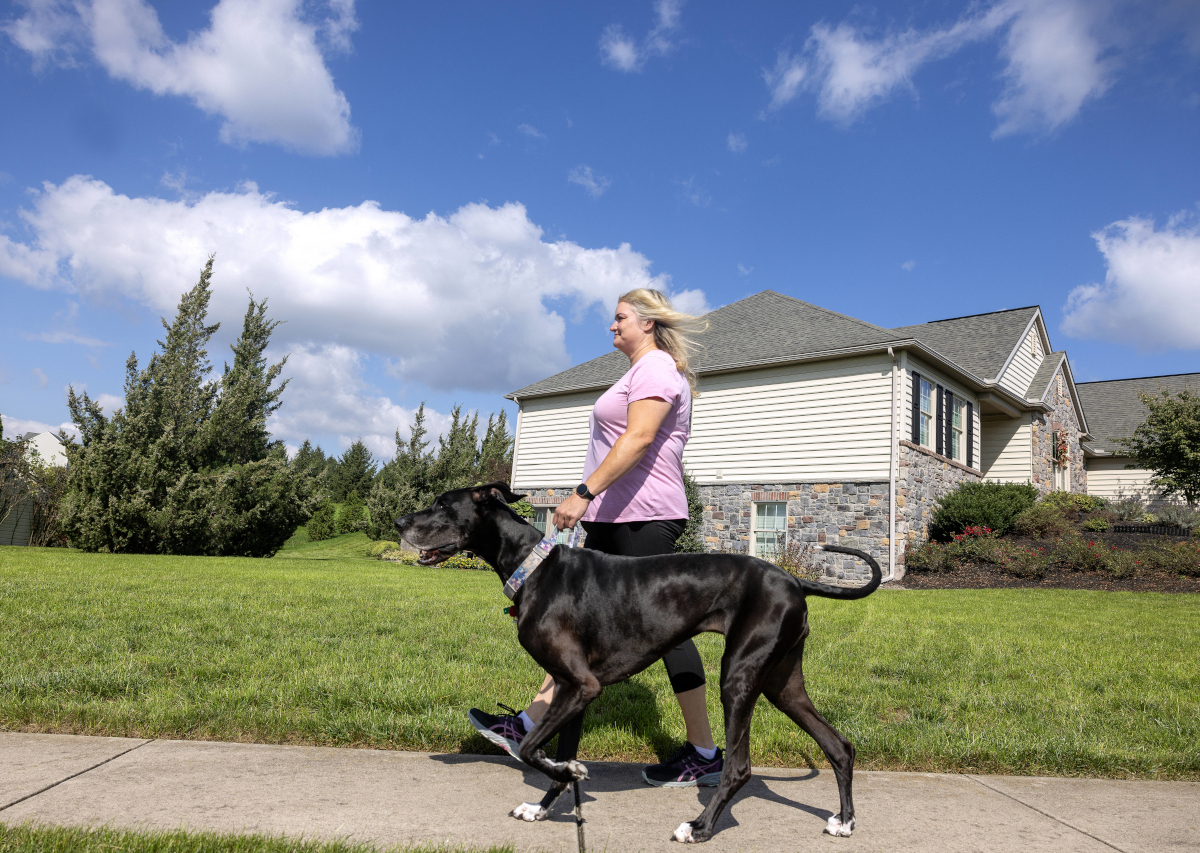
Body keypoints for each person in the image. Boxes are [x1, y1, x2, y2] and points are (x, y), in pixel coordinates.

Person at [469, 288, 722, 787]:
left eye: (620, 317)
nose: (612, 326)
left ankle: (705, 753)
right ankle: (528, 723)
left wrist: (583, 493)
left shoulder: (656, 369)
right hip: (614, 518)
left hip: (642, 518)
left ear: (647, 322)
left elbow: (639, 438)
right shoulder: (637, 371)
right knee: (574, 624)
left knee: (670, 632)